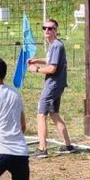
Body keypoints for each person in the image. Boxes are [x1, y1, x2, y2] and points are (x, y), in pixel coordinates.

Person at [27, 18, 74, 158]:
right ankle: (68, 145)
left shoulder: (56, 46)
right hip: (57, 84)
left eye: (50, 28)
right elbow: (51, 60)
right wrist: (37, 60)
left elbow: (52, 68)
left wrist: (35, 69)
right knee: (54, 114)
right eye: (44, 28)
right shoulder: (54, 45)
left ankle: (42, 149)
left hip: (53, 84)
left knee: (41, 114)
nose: (47, 30)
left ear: (56, 30)